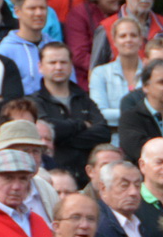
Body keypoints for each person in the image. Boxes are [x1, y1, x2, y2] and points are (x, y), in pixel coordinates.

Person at [27, 41, 110, 182]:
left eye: (63, 62)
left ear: (71, 66)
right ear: (40, 67)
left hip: (86, 178)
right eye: (52, 63)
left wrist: (62, 138)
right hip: (53, 178)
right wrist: (83, 125)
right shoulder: (34, 102)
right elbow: (49, 131)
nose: (58, 67)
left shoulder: (84, 98)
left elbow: (103, 133)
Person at [87, 158, 160, 237]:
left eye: (137, 186)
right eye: (124, 185)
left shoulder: (138, 223)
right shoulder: (99, 229)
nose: (133, 192)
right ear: (103, 188)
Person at [89, 16, 146, 124]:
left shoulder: (151, 73)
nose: (128, 40)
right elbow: (98, 112)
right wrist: (139, 114)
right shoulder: (100, 73)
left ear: (141, 40)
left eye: (133, 35)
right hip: (112, 137)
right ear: (114, 41)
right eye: (123, 36)